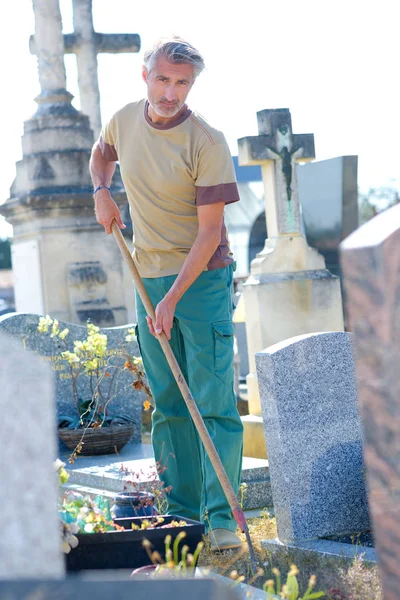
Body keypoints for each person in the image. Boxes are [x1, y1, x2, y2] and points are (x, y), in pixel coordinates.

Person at [89, 36, 244, 550]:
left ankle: (221, 519)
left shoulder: (207, 142)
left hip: (200, 281)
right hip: (147, 276)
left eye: (182, 83)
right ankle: (181, 515)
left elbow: (208, 235)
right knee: (170, 401)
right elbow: (101, 155)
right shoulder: (124, 120)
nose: (171, 92)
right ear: (145, 75)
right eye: (163, 79)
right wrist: (101, 191)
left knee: (213, 400)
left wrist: (173, 298)